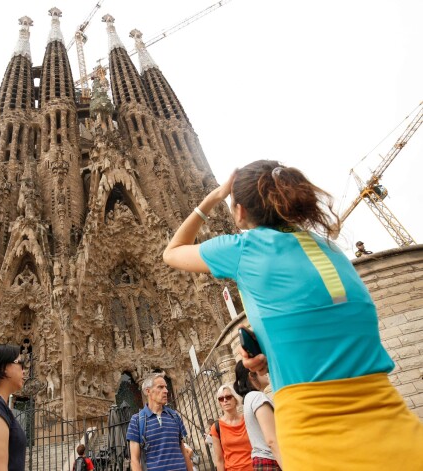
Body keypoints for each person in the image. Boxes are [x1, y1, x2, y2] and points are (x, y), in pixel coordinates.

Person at [163, 159, 423, 469]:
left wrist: (215, 197)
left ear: (241, 211)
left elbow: (173, 251)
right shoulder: (330, 250)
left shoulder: (245, 249)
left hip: (317, 441)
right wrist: (272, 352)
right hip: (398, 433)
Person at [126, 372, 194, 471]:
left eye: (166, 387)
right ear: (148, 391)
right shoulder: (136, 420)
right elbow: (135, 460)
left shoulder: (174, 416)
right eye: (160, 387)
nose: (166, 391)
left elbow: (183, 451)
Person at [233, 361, 282, 470]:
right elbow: (271, 440)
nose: (266, 371)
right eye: (260, 369)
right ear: (251, 375)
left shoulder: (249, 398)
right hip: (271, 460)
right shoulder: (257, 397)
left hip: (262, 460)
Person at [209, 384, 252, 471]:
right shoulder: (216, 427)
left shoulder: (248, 420)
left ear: (235, 399)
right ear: (220, 403)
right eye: (221, 399)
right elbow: (219, 460)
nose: (225, 400)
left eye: (228, 397)